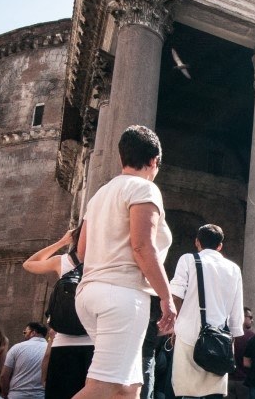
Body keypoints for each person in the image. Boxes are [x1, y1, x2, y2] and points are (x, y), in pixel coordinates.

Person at [74, 125, 176, 399]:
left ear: (122, 158)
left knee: (129, 387)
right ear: (154, 160)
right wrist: (167, 297)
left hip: (89, 294)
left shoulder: (98, 196)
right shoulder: (145, 189)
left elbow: (81, 252)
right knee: (102, 387)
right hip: (122, 296)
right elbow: (143, 247)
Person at [169, 224, 245, 399]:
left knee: (186, 393)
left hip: (189, 335)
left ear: (197, 242)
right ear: (220, 246)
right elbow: (236, 307)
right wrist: (232, 338)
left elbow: (176, 297)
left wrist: (174, 325)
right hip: (219, 339)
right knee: (214, 394)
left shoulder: (188, 260)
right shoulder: (233, 269)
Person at [22, 227, 94, 399]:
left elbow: (29, 264)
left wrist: (62, 242)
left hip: (63, 343)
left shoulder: (63, 261)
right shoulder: (105, 261)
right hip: (94, 343)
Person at [0, 322, 49, 399]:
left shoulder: (17, 348)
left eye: (25, 332)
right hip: (41, 396)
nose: (24, 334)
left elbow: (4, 376)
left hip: (16, 395)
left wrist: (5, 395)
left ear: (33, 333)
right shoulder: (51, 350)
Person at [229, 307, 255, 399]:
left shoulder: (228, 334)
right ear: (242, 317)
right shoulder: (252, 337)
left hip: (228, 380)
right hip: (244, 381)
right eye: (250, 317)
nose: (252, 320)